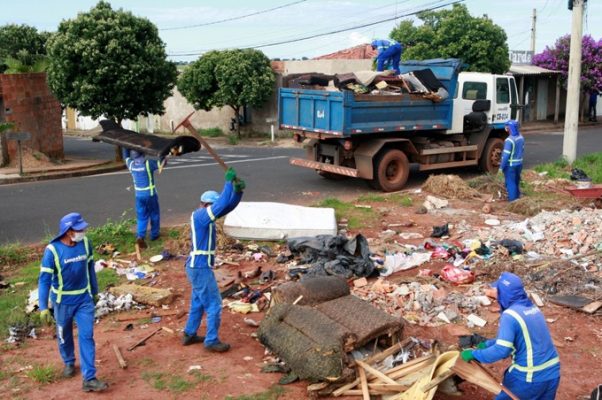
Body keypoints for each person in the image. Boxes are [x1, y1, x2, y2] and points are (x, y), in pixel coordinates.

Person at [461, 272, 560, 400]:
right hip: (552, 373)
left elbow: (502, 350)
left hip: (530, 377)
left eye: (498, 291)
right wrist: (487, 344)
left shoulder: (510, 315)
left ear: (504, 293)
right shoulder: (532, 308)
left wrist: (474, 354)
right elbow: (517, 339)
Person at [38, 213, 108, 392]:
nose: (83, 231)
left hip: (84, 300)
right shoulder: (52, 251)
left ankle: (89, 378)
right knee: (64, 334)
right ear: (69, 231)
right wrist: (44, 307)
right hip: (62, 302)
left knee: (87, 336)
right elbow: (44, 280)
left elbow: (90, 270)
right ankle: (69, 361)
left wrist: (94, 292)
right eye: (80, 229)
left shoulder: (85, 244)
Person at [182, 167, 245, 352]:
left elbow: (227, 206)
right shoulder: (201, 216)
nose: (216, 211)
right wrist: (228, 183)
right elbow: (222, 204)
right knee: (214, 304)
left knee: (198, 302)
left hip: (197, 267)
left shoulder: (204, 215)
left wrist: (238, 192)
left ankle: (189, 334)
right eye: (213, 206)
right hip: (200, 267)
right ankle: (211, 340)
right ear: (205, 205)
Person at [123, 148, 163, 249]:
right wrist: (164, 153)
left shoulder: (131, 164)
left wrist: (125, 146)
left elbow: (125, 156)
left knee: (142, 216)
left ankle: (140, 236)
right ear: (143, 153)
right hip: (150, 194)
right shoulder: (148, 164)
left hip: (139, 196)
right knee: (154, 214)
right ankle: (154, 235)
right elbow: (161, 163)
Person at [500, 120, 524, 202]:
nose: (506, 129)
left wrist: (501, 167)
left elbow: (506, 156)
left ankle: (513, 201)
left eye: (507, 128)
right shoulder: (521, 137)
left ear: (510, 129)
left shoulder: (509, 140)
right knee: (516, 181)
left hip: (510, 165)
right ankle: (518, 198)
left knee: (510, 183)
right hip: (519, 164)